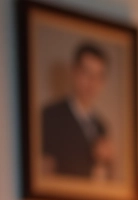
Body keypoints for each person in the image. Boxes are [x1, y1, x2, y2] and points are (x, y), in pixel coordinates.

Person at [40, 42, 116, 179]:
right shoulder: (50, 116)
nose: (92, 82)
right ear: (74, 72)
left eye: (98, 76)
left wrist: (109, 161)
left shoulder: (101, 126)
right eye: (87, 73)